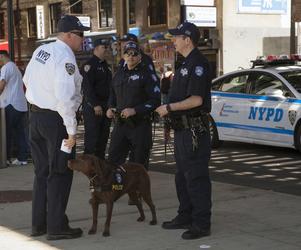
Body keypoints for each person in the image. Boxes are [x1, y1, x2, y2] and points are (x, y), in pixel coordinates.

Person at [22, 15, 90, 240]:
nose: (83, 39)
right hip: (56, 121)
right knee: (60, 172)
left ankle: (39, 224)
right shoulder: (65, 57)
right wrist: (71, 131)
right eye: (80, 35)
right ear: (69, 35)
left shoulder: (42, 50)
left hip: (36, 118)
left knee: (42, 172)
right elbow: (64, 97)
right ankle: (56, 227)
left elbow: (28, 79)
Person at [156, 22, 212, 240]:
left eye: (177, 37)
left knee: (196, 177)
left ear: (187, 39)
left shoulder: (198, 63)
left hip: (194, 132)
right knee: (182, 177)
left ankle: (201, 223)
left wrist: (168, 108)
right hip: (182, 130)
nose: (174, 41)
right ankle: (185, 215)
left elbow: (196, 99)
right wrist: (170, 123)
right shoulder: (185, 63)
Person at [106, 41, 160, 168]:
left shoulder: (147, 75)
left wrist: (135, 110)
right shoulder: (118, 75)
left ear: (140, 56)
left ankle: (136, 188)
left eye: (134, 54)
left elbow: (155, 100)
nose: (131, 56)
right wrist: (110, 108)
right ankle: (117, 187)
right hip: (120, 124)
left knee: (138, 165)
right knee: (113, 161)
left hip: (140, 125)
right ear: (123, 56)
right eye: (128, 53)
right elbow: (112, 95)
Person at [81, 38, 112, 159]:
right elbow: (87, 87)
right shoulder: (89, 65)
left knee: (103, 136)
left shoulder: (106, 66)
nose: (107, 50)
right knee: (92, 136)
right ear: (96, 48)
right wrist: (95, 104)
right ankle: (88, 162)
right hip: (93, 107)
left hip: (105, 105)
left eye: (107, 47)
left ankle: (100, 162)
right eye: (104, 47)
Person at [0, 50, 28, 166]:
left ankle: (5, 159)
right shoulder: (15, 68)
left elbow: (1, 85)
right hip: (20, 105)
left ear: (1, 56)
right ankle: (22, 158)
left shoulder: (6, 68)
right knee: (20, 132)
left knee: (6, 133)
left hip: (10, 104)